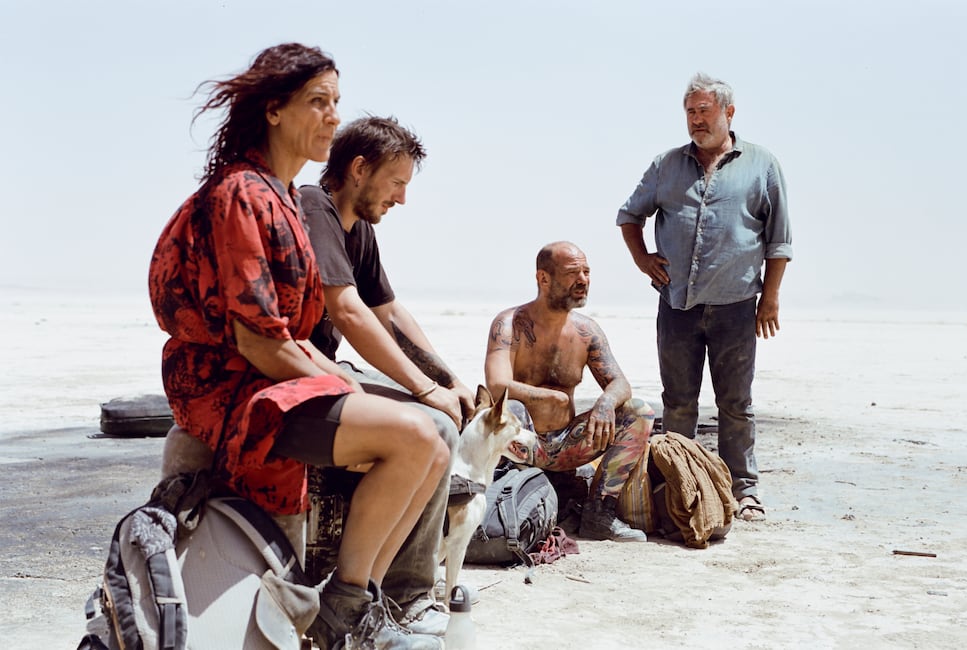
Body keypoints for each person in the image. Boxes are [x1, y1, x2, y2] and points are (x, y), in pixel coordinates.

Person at [148, 43, 447, 649]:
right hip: (231, 390)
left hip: (274, 379)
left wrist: (357, 391)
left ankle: (360, 602)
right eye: (319, 101)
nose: (333, 116)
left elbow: (295, 335)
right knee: (413, 436)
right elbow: (259, 342)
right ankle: (340, 616)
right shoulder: (242, 195)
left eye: (336, 101)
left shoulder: (281, 195)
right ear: (274, 109)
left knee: (433, 440)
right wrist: (352, 393)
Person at [299, 116, 476, 636]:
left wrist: (448, 379)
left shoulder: (361, 230)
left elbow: (389, 313)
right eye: (396, 183)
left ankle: (388, 595)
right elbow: (350, 313)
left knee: (438, 420)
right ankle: (399, 594)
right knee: (431, 424)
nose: (402, 199)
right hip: (299, 375)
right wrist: (424, 391)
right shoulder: (316, 207)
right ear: (358, 169)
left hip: (332, 373)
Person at [616, 72, 793, 522]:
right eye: (690, 112)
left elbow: (779, 240)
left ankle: (744, 490)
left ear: (728, 113)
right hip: (676, 305)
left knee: (736, 403)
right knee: (678, 401)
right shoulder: (666, 165)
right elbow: (629, 216)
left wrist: (769, 300)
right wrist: (642, 260)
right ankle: (677, 485)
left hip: (737, 306)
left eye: (704, 111)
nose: (696, 120)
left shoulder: (761, 164)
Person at [484, 241, 656, 542]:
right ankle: (508, 504)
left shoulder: (586, 331)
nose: (583, 280)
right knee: (510, 409)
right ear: (543, 279)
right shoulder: (510, 323)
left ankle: (600, 514)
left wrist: (605, 402)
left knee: (638, 411)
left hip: (568, 445)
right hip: (522, 445)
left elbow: (620, 384)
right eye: (572, 273)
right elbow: (497, 385)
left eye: (587, 272)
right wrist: (551, 398)